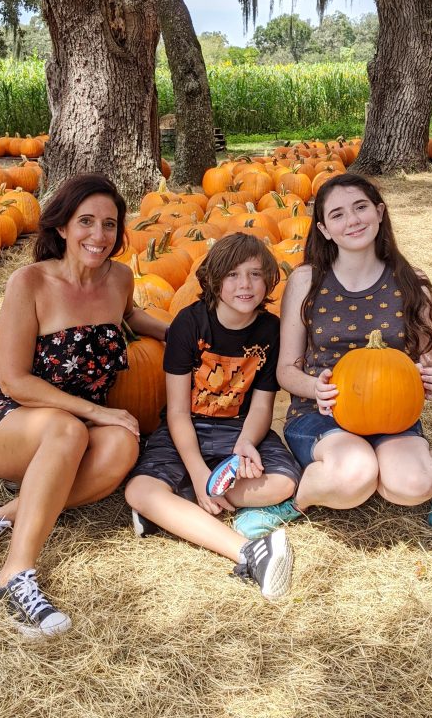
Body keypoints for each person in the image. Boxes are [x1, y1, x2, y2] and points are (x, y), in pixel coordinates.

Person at [0, 173, 167, 637]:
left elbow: (130, 318)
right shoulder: (30, 283)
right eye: (86, 222)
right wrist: (97, 411)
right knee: (70, 429)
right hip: (10, 421)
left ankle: (1, 518)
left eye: (109, 224)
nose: (98, 236)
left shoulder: (119, 277)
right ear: (62, 227)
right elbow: (15, 379)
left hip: (73, 424)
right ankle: (14, 578)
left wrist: (190, 331)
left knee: (124, 445)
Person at [234, 172, 432, 539]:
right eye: (338, 214)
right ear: (325, 229)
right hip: (320, 414)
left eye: (360, 207)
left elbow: (429, 363)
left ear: (379, 212)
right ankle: (294, 502)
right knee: (355, 475)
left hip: (393, 416)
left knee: (409, 485)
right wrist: (316, 387)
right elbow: (286, 371)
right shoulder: (307, 281)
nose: (353, 220)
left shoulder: (412, 283)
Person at [124, 233, 300, 601]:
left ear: (269, 280)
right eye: (233, 275)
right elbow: (175, 411)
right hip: (187, 427)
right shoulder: (190, 324)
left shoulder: (270, 331)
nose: (245, 285)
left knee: (284, 482)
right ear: (214, 281)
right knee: (138, 489)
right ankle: (248, 551)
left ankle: (174, 507)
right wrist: (200, 472)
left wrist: (246, 445)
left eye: (255, 274)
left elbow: (262, 405)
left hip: (239, 430)